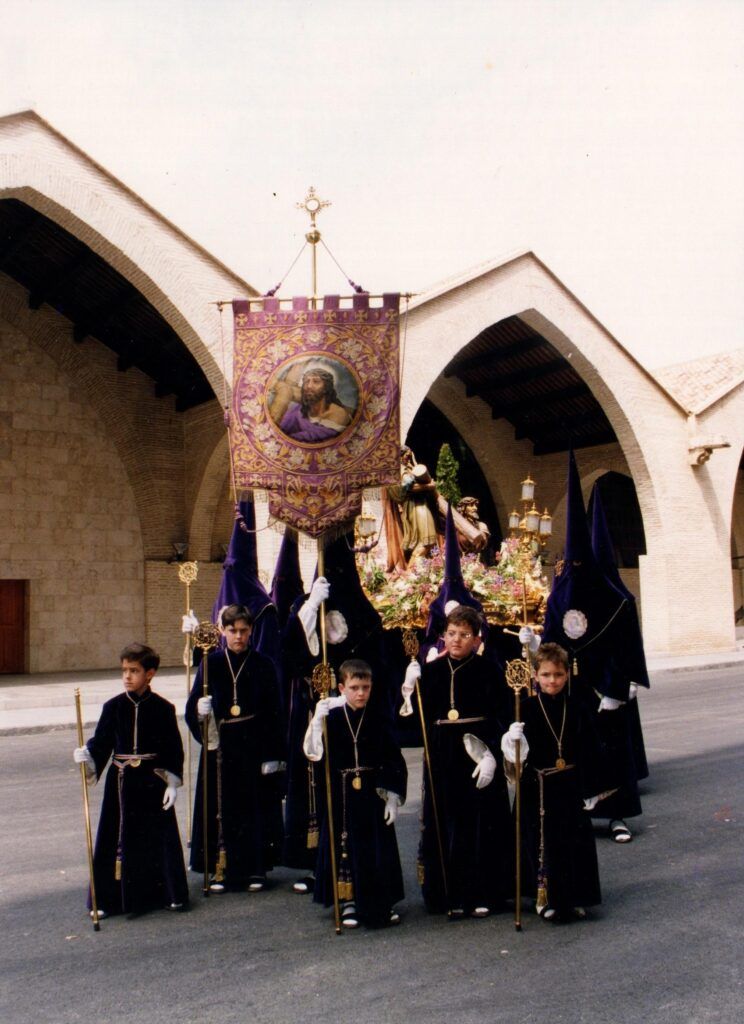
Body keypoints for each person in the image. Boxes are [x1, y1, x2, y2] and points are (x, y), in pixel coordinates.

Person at [403, 604, 512, 919]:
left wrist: (492, 753)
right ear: (443, 636)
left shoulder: (490, 670)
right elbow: (415, 722)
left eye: (464, 635)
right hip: (442, 755)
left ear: (476, 639)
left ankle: (483, 893)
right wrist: (410, 690)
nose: (456, 640)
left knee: (479, 823)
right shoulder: (432, 671)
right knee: (445, 821)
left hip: (477, 753)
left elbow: (502, 717)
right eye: (451, 633)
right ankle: (447, 894)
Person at [73, 643, 188, 918]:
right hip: (121, 782)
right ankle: (107, 900)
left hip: (151, 781)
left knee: (156, 837)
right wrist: (87, 755)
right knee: (114, 837)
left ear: (150, 674)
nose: (127, 676)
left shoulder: (163, 708)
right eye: (124, 670)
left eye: (134, 670)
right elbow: (101, 743)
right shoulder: (113, 707)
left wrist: (172, 783)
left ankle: (166, 893)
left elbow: (173, 748)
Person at [501, 642, 608, 923]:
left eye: (558, 675)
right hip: (537, 787)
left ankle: (574, 897)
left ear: (567, 675)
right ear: (535, 675)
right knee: (540, 844)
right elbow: (516, 760)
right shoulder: (525, 708)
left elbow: (591, 748)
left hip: (570, 785)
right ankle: (543, 898)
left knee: (572, 843)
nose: (552, 681)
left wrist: (592, 789)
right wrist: (513, 741)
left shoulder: (577, 707)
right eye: (546, 675)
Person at [185, 604, 285, 893]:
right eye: (232, 631)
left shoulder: (264, 664)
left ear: (251, 630)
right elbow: (193, 704)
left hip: (254, 744)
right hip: (221, 746)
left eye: (243, 630)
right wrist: (199, 710)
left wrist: (273, 755)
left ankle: (256, 869)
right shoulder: (211, 663)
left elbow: (275, 712)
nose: (238, 636)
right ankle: (219, 868)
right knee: (220, 807)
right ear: (222, 631)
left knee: (254, 808)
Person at [304, 659, 407, 929]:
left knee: (375, 848)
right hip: (342, 793)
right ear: (341, 688)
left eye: (365, 687)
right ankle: (347, 899)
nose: (361, 693)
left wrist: (392, 795)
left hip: (373, 792)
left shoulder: (379, 716)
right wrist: (317, 722)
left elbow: (393, 757)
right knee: (345, 846)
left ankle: (381, 901)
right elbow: (314, 753)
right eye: (354, 688)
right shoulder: (332, 717)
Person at [269, 363, 352, 443]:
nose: (309, 386)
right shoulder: (300, 409)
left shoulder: (338, 415)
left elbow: (300, 439)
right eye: (306, 381)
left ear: (326, 388)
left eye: (316, 382)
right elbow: (282, 428)